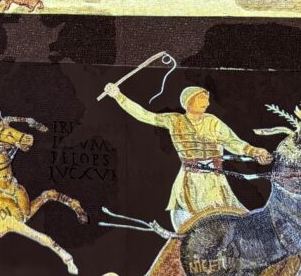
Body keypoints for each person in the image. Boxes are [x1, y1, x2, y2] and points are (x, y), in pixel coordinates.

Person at [102, 83, 271, 230]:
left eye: (207, 99)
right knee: (194, 223)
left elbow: (232, 142)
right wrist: (118, 96)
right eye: (201, 99)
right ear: (188, 101)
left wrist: (255, 151)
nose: (207, 103)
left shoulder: (212, 121)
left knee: (229, 216)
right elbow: (145, 115)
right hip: (189, 179)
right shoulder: (174, 120)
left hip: (215, 179)